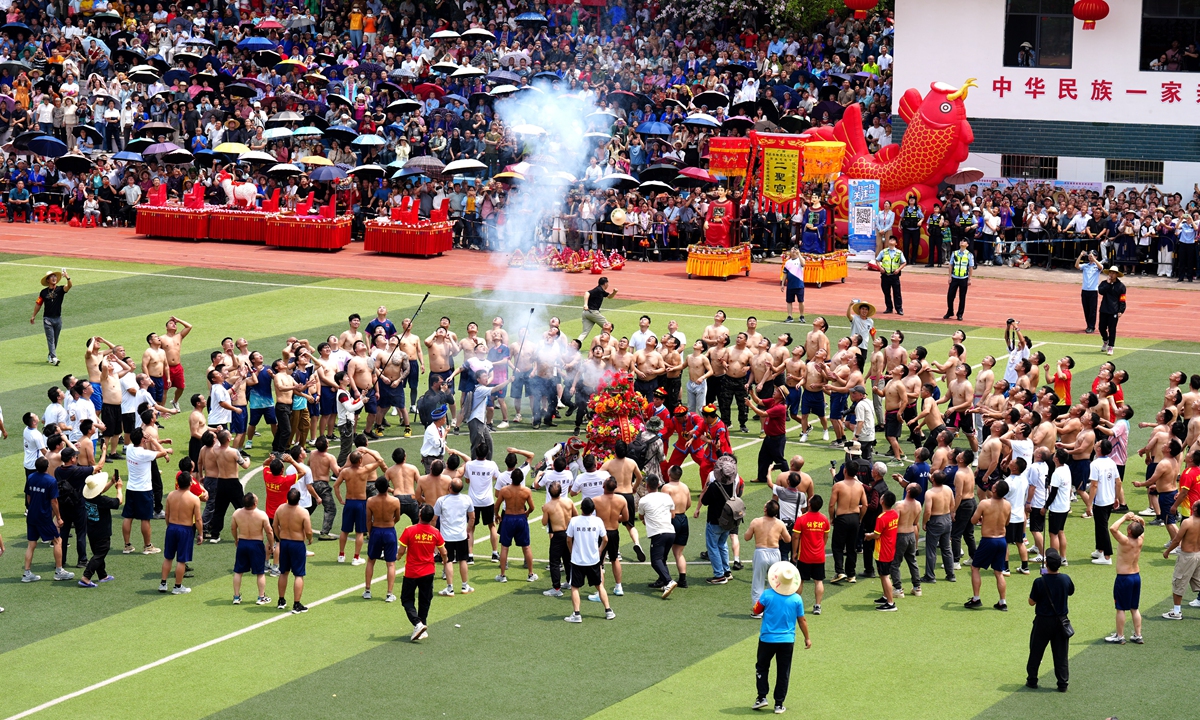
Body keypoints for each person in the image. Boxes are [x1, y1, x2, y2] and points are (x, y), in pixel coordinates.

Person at [752, 562, 811, 715]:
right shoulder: (797, 599)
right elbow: (802, 620)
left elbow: (756, 610)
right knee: (783, 671)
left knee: (762, 667)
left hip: (767, 639)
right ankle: (779, 704)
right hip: (787, 641)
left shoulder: (767, 594)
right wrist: (807, 638)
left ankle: (761, 697)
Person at [1026, 548, 1074, 693]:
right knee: (1061, 654)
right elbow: (1070, 591)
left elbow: (1031, 602)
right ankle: (1062, 683)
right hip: (1061, 622)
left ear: (1046, 564)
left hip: (1043, 621)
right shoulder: (1066, 579)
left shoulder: (1039, 582)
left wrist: (1043, 576)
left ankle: (1032, 680)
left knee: (1036, 651)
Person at [398, 504, 447, 641]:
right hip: (428, 571)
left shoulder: (409, 530)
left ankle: (418, 623)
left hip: (412, 572)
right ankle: (422, 626)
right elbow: (443, 552)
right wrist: (444, 560)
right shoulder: (435, 532)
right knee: (425, 600)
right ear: (432, 518)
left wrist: (397, 557)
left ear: (420, 515)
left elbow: (401, 551)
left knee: (406, 599)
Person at [22, 457, 73, 583]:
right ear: (47, 467)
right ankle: (59, 571)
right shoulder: (51, 481)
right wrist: (59, 518)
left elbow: (28, 496)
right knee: (57, 540)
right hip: (44, 517)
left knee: (31, 544)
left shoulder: (31, 477)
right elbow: (54, 501)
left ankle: (27, 573)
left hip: (32, 515)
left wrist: (32, 507)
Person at [564, 497, 615, 623]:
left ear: (581, 508)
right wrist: (600, 550)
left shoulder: (574, 521)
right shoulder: (598, 521)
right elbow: (605, 539)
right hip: (593, 560)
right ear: (593, 509)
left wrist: (572, 552)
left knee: (575, 587)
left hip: (578, 560)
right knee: (599, 585)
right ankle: (608, 610)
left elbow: (569, 539)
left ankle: (577, 614)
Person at [966, 479, 1012, 611]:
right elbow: (1007, 522)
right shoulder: (1008, 505)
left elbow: (973, 521)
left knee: (975, 567)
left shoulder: (984, 503)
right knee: (999, 572)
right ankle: (1002, 602)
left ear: (994, 490)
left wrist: (982, 518)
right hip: (1002, 540)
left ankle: (976, 598)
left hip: (988, 540)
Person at [158, 472, 203, 595]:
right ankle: (177, 586)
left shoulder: (171, 495)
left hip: (172, 527)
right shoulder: (194, 499)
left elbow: (167, 514)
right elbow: (198, 519)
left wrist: (169, 526)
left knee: (168, 557)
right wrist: (200, 533)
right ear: (190, 483)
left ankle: (163, 583)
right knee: (181, 560)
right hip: (185, 530)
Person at [744, 499, 791, 615]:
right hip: (775, 553)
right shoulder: (779, 523)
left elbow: (746, 537)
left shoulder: (756, 522)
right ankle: (770, 610)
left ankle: (758, 612)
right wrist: (778, 536)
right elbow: (788, 539)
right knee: (774, 584)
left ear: (765, 510)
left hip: (761, 553)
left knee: (757, 584)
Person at [1105, 512, 1145, 644]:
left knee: (1121, 608)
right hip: (1136, 577)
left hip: (1124, 578)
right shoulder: (1140, 539)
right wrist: (1140, 520)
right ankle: (1138, 635)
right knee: (1134, 608)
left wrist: (1125, 517)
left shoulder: (1125, 540)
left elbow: (1112, 528)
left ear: (1128, 531)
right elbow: (1142, 527)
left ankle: (1120, 636)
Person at [432, 478, 476, 597]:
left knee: (448, 561)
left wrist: (435, 535)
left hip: (446, 537)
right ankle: (464, 585)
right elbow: (472, 518)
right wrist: (467, 531)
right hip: (461, 535)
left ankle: (450, 588)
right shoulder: (467, 499)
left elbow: (434, 520)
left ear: (450, 487)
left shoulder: (442, 500)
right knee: (463, 560)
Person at [230, 492, 274, 605]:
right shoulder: (262, 515)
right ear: (254, 503)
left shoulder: (237, 513)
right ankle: (261, 597)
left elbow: (233, 529)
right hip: (256, 544)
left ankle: (236, 596)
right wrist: (271, 544)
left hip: (243, 543)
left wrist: (236, 539)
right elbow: (269, 531)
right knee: (260, 572)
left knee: (238, 571)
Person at [80, 468, 122, 587]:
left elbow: (98, 492)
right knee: (101, 553)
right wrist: (119, 488)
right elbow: (118, 501)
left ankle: (102, 575)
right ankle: (86, 576)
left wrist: (111, 482)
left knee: (97, 552)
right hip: (102, 531)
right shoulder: (103, 501)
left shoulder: (87, 497)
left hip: (91, 529)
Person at [274, 487, 314, 614]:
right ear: (299, 499)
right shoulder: (303, 512)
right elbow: (308, 531)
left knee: (283, 572)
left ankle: (281, 600)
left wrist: (280, 537)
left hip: (284, 542)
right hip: (297, 544)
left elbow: (275, 525)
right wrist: (310, 539)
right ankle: (297, 604)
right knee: (298, 574)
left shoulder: (280, 509)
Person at [494, 468, 538, 583]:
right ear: (522, 479)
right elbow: (532, 507)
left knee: (504, 547)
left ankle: (502, 575)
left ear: (511, 478)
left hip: (508, 518)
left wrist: (497, 515)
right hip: (521, 518)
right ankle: (530, 574)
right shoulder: (527, 491)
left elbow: (497, 505)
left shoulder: (504, 490)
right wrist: (526, 514)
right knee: (526, 547)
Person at [637, 475, 677, 596]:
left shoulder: (643, 500)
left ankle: (669, 581)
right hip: (671, 532)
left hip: (658, 533)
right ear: (658, 485)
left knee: (656, 561)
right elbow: (673, 514)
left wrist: (649, 520)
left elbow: (641, 517)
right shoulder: (667, 497)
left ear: (647, 485)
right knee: (662, 559)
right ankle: (662, 580)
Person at [363, 477, 401, 602]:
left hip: (376, 530)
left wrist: (370, 532)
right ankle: (389, 594)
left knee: (371, 560)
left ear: (376, 487)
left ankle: (367, 590)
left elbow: (368, 520)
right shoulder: (395, 501)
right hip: (389, 531)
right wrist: (390, 523)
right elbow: (397, 517)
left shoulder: (370, 501)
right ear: (388, 486)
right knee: (391, 563)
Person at [863, 491, 900, 611]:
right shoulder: (894, 513)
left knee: (885, 576)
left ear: (882, 501)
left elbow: (876, 535)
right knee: (883, 574)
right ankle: (886, 596)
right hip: (890, 548)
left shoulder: (881, 518)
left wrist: (868, 535)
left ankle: (890, 603)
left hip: (882, 550)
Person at [31, 270, 71, 366]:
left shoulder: (60, 290)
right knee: (50, 339)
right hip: (47, 319)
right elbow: (38, 304)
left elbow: (69, 286)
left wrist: (68, 277)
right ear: (48, 280)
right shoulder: (43, 292)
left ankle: (50, 355)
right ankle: (54, 357)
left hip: (58, 319)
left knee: (55, 339)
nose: (54, 278)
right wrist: (33, 316)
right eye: (51, 277)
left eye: (55, 277)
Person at [1097, 265, 1127, 356]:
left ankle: (1111, 346)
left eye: (1113, 273)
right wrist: (1108, 284)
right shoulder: (1104, 283)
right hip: (1104, 309)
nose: (1111, 274)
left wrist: (1121, 310)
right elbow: (1101, 291)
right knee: (1101, 327)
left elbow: (1122, 299)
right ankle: (1105, 340)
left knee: (1112, 329)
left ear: (1117, 274)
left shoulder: (1121, 286)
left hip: (1114, 311)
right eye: (1110, 272)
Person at [579, 276, 618, 342]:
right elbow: (587, 293)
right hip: (593, 312)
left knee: (584, 332)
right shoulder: (598, 290)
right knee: (608, 327)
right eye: (608, 283)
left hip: (586, 314)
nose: (608, 285)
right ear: (605, 283)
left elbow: (609, 297)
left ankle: (574, 346)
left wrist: (614, 292)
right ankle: (601, 343)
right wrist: (585, 304)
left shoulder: (601, 291)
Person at [945, 239, 975, 321]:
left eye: (964, 241)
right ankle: (950, 311)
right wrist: (949, 276)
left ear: (967, 245)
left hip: (963, 278)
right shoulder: (954, 253)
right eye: (961, 241)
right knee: (950, 296)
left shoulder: (969, 255)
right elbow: (951, 265)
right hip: (955, 277)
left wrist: (969, 279)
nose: (962, 242)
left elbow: (970, 267)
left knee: (962, 297)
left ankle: (960, 314)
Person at [875, 236, 906, 315]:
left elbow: (904, 262)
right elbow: (877, 260)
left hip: (894, 275)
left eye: (894, 240)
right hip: (885, 275)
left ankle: (899, 309)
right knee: (886, 292)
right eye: (890, 239)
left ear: (896, 243)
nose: (892, 241)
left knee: (897, 293)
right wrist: (880, 268)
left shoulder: (899, 252)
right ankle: (889, 308)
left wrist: (898, 269)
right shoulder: (884, 251)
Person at [1075, 250, 1103, 334]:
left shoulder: (1097, 265)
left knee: (1092, 310)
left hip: (1093, 290)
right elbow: (1076, 266)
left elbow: (1101, 267)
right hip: (1084, 290)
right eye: (1090, 255)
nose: (1090, 257)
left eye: (1093, 255)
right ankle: (1088, 325)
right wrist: (1080, 256)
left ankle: (1091, 326)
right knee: (1086, 309)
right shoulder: (1085, 265)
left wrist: (1094, 260)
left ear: (1096, 256)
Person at [781, 249, 805, 323]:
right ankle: (790, 316)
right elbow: (785, 274)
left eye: (795, 250)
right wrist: (782, 284)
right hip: (790, 285)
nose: (793, 251)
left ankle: (801, 316)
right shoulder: (788, 262)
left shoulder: (800, 260)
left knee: (801, 301)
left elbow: (803, 264)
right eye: (792, 250)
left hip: (799, 285)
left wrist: (799, 254)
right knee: (789, 301)